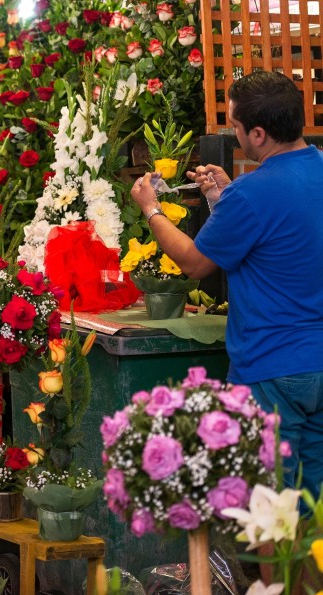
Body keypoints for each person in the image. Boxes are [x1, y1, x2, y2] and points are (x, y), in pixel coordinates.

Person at [130, 71, 323, 495]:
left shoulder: (252, 193)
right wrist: (223, 198)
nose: (234, 135)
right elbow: (283, 234)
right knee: (313, 505)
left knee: (268, 505)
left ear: (259, 133)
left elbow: (195, 263)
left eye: (235, 126)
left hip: (272, 367)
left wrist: (151, 209)